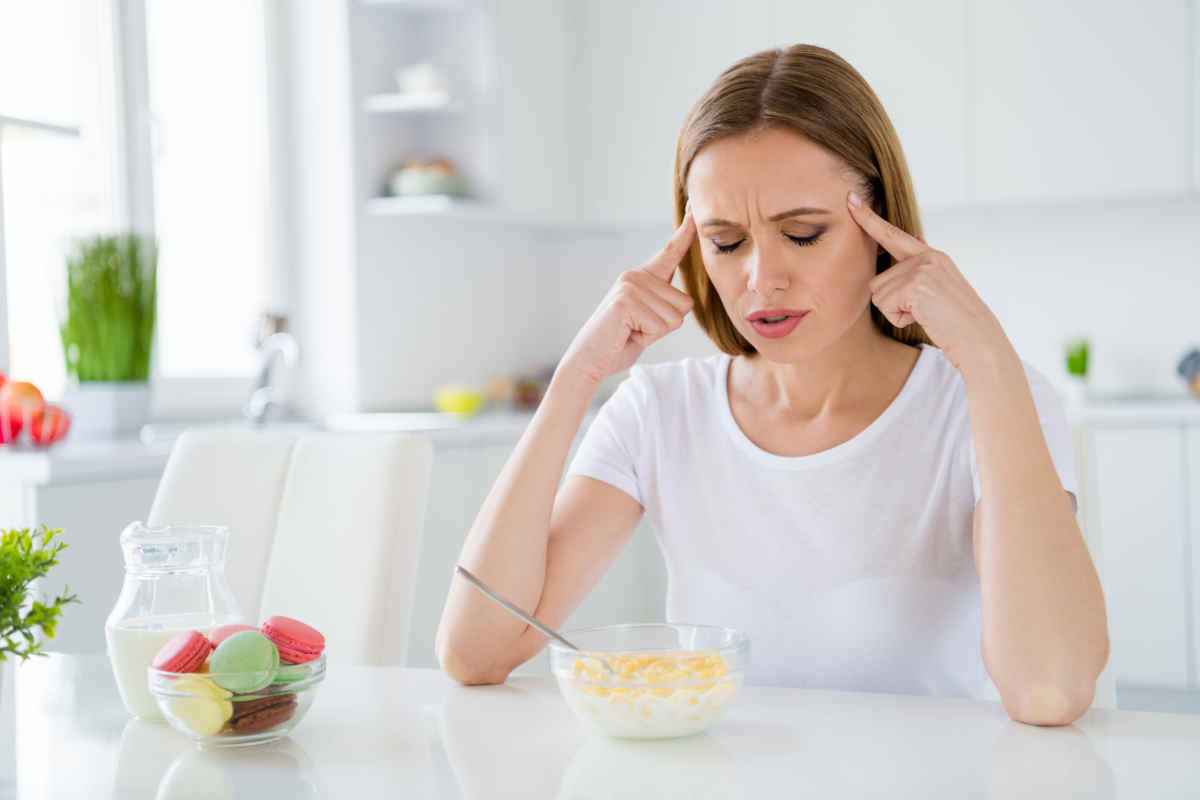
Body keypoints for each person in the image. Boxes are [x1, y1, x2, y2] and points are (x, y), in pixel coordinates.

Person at [435, 44, 1109, 726]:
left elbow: (1049, 692)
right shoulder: (660, 412)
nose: (761, 278)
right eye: (726, 243)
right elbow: (476, 650)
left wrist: (987, 358)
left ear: (882, 226)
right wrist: (575, 379)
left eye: (804, 234)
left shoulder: (983, 400)